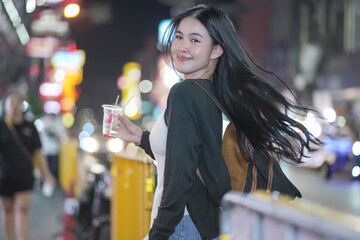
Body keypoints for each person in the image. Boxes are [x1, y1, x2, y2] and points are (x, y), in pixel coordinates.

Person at [114, 4, 320, 240]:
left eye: (195, 40)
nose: (182, 47)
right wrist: (141, 138)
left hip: (180, 226)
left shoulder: (185, 93)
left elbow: (181, 177)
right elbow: (189, 155)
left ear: (216, 50)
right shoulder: (212, 94)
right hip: (195, 226)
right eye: (179, 37)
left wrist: (158, 233)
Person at [0, 92, 56, 240]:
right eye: (10, 103)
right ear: (5, 106)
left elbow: (39, 152)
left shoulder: (30, 126)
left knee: (23, 209)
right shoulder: (1, 125)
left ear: (21, 106)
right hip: (4, 175)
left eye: (16, 103)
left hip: (25, 174)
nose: (13, 107)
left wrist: (46, 173)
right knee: (7, 210)